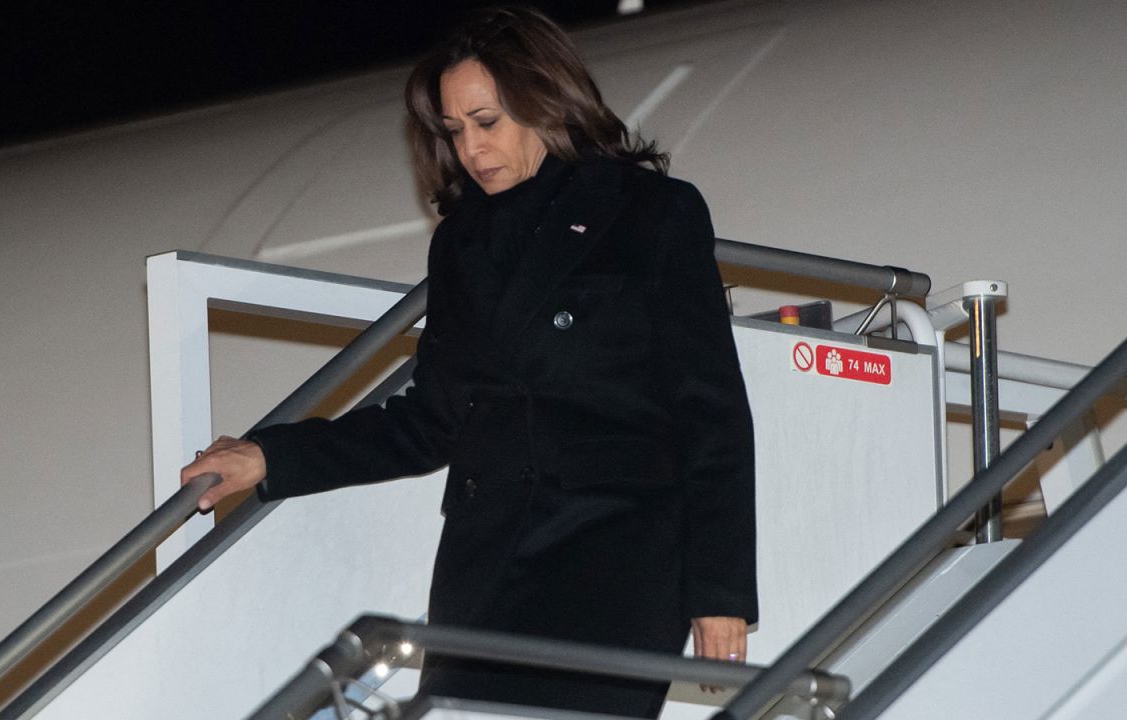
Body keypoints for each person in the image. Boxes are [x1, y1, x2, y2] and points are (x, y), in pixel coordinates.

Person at [181, 6, 756, 717]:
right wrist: (273, 456)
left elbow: (713, 414)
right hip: (486, 564)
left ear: (546, 104)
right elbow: (430, 422)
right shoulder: (461, 243)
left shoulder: (652, 214)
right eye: (454, 132)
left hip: (614, 561)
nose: (471, 149)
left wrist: (719, 595)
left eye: (487, 122)